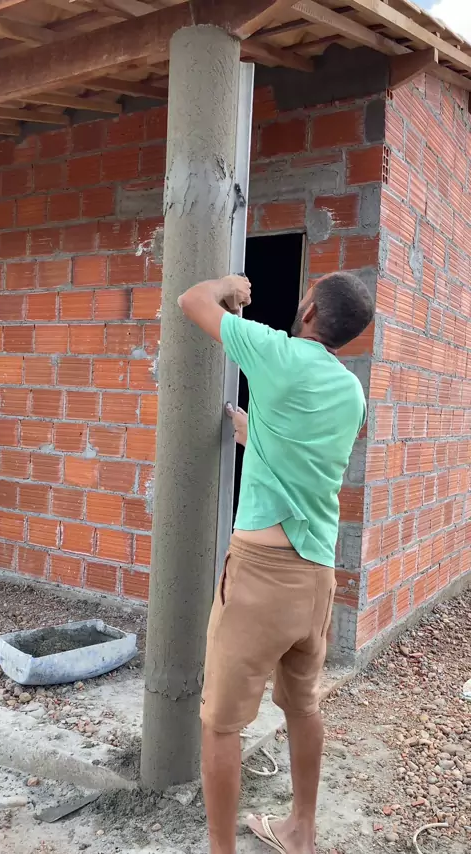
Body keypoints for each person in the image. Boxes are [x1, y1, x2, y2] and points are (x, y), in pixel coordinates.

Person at [178, 271, 375, 854]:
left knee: (221, 722)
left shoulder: (275, 352)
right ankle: (301, 831)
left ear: (309, 311)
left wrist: (229, 284)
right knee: (303, 706)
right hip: (316, 578)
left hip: (260, 576)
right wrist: (252, 433)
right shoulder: (352, 393)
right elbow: (302, 456)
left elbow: (192, 301)